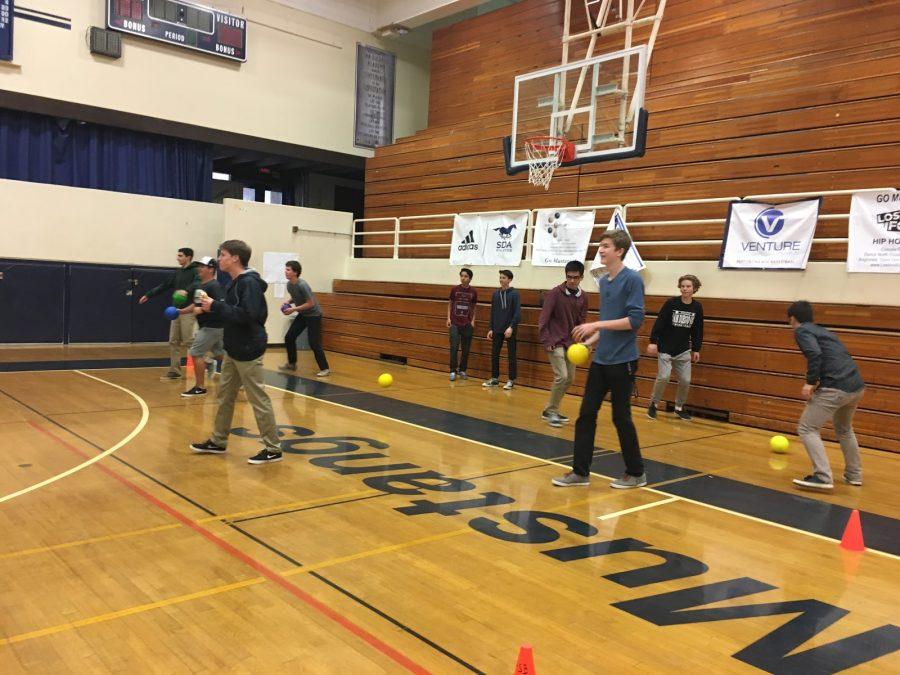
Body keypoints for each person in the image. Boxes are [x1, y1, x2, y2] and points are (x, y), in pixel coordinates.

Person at [553, 231, 646, 489]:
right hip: (601, 360)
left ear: (619, 251)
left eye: (605, 246)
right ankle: (580, 472)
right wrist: (591, 340)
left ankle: (636, 472)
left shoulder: (633, 280)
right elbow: (609, 325)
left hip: (623, 361)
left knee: (621, 417)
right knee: (585, 415)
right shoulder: (604, 282)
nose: (601, 250)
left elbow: (634, 321)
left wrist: (595, 325)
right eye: (600, 246)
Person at [190, 240, 282, 465]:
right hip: (233, 348)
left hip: (248, 348)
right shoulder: (234, 282)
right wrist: (211, 308)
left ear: (235, 258)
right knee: (225, 397)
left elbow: (249, 315)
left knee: (258, 399)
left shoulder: (248, 283)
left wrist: (216, 307)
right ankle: (218, 441)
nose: (219, 259)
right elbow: (232, 313)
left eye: (222, 255)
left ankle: (273, 448)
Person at [788, 301, 866, 490]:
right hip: (856, 386)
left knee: (807, 428)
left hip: (835, 387)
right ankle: (854, 475)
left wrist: (810, 381)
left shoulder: (802, 331)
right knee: (845, 429)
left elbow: (815, 354)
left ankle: (822, 477)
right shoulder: (824, 331)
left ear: (792, 318)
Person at [647, 274, 704, 421]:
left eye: (688, 286)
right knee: (664, 377)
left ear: (695, 288)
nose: (685, 289)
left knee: (685, 380)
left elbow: (697, 329)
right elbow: (659, 322)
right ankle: (654, 404)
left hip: (683, 350)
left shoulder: (697, 307)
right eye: (683, 286)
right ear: (680, 287)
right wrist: (653, 341)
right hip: (665, 348)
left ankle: (679, 408)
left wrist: (696, 349)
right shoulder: (671, 303)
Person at [538, 261, 588, 427]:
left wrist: (583, 341)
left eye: (575, 277)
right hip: (554, 341)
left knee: (570, 378)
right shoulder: (554, 294)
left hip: (571, 343)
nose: (572, 281)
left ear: (581, 277)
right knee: (562, 376)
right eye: (569, 277)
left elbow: (581, 321)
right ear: (565, 276)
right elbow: (544, 319)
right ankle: (550, 411)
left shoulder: (584, 297)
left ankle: (552, 409)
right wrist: (547, 340)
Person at [139, 247, 200, 380]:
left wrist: (186, 291)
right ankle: (175, 371)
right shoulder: (177, 273)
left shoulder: (196, 271)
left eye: (180, 255)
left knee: (189, 341)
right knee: (173, 341)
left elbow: (197, 284)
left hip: (188, 311)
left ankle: (201, 367)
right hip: (175, 311)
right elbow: (164, 285)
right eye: (177, 255)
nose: (177, 258)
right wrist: (149, 295)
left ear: (188, 257)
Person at [180, 256, 226, 398]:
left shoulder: (214, 286)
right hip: (208, 326)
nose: (199, 268)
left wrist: (204, 310)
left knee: (195, 353)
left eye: (202, 266)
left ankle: (200, 387)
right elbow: (196, 305)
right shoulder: (201, 285)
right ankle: (240, 377)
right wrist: (181, 311)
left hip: (212, 326)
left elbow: (221, 306)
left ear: (211, 269)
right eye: (198, 266)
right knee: (219, 354)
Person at [278, 261, 330, 377]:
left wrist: (293, 309)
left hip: (314, 315)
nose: (285, 271)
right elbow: (296, 297)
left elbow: (310, 303)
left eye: (288, 270)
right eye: (285, 269)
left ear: (295, 272)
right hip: (303, 314)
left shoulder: (302, 285)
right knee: (289, 337)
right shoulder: (289, 285)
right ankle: (292, 364)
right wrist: (288, 301)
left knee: (314, 343)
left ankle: (325, 368)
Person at [483, 270, 521, 390]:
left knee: (511, 355)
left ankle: (511, 380)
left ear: (509, 280)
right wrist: (491, 328)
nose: (501, 279)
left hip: (509, 329)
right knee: (494, 354)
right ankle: (494, 379)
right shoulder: (495, 294)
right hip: (497, 329)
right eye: (500, 277)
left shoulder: (515, 294)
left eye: (504, 278)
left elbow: (517, 313)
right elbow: (493, 312)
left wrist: (511, 326)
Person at [447, 268, 477, 381]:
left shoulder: (473, 292)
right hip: (454, 323)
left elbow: (474, 307)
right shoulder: (454, 289)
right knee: (454, 347)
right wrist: (448, 318)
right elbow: (449, 304)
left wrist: (473, 320)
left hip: (467, 324)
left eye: (465, 276)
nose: (463, 278)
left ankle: (462, 370)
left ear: (470, 278)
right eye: (462, 276)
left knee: (466, 348)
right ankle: (452, 371)